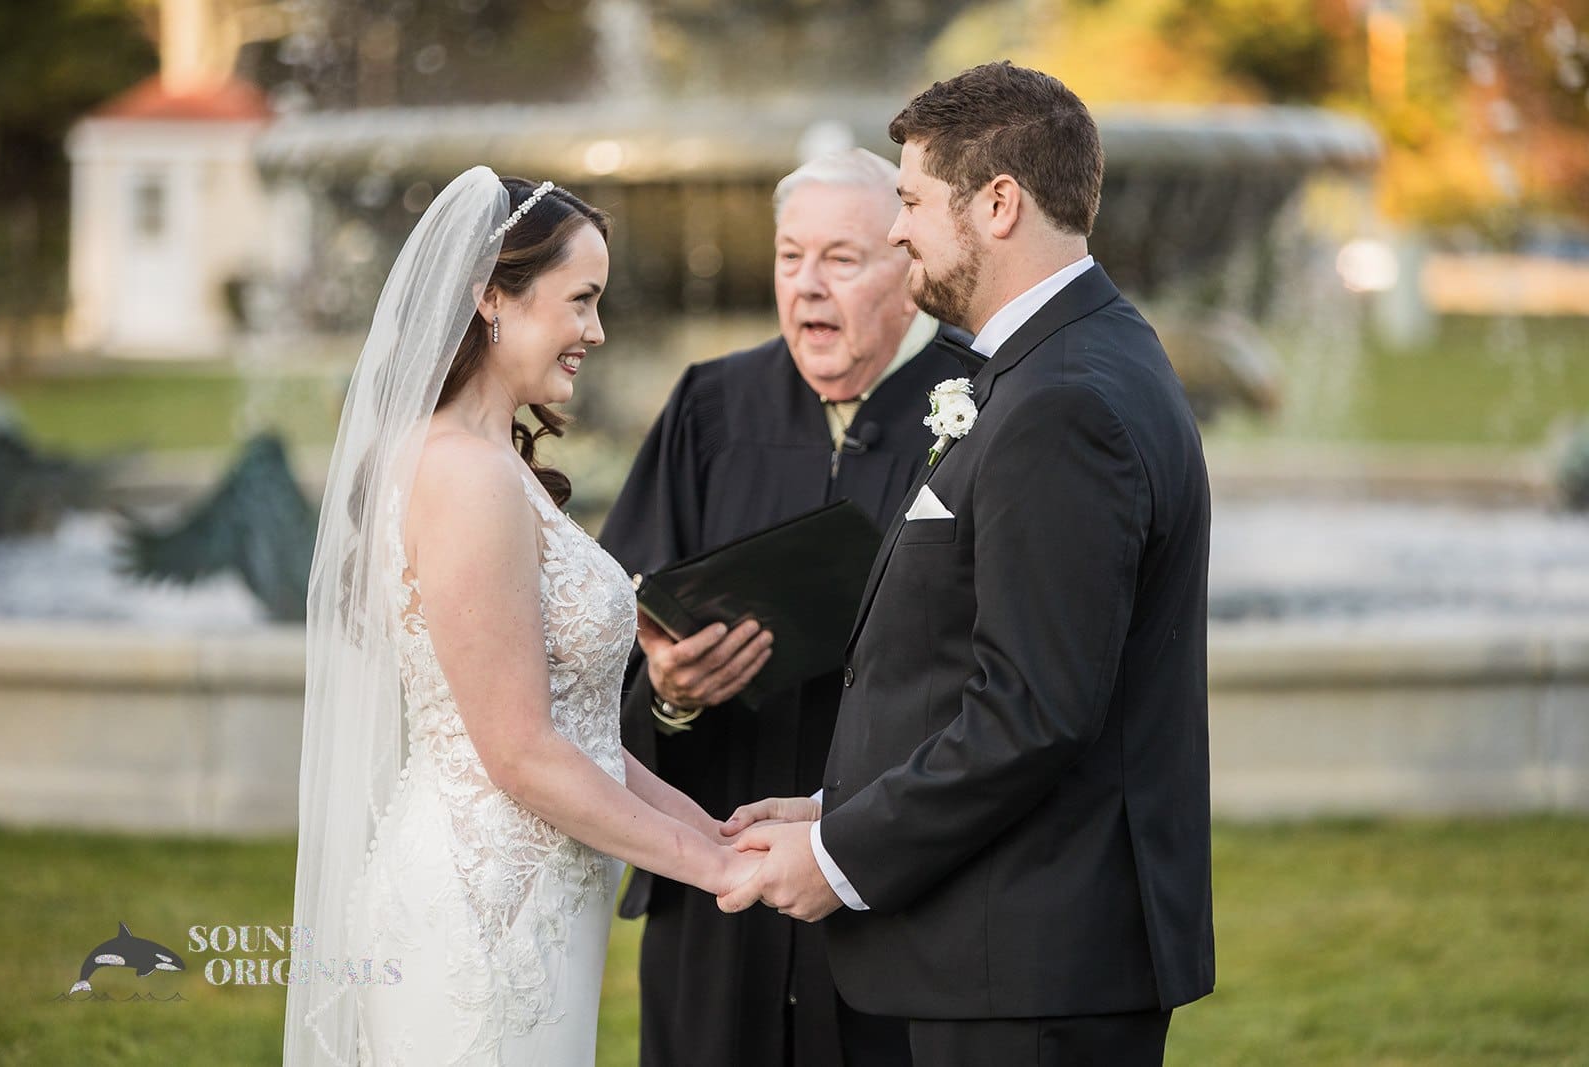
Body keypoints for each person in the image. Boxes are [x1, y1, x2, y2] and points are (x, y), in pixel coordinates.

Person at [720, 62, 1216, 1067]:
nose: (897, 229)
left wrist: (839, 855)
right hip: (1011, 954)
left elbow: (1031, 710)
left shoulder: (1063, 403)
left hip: (1030, 967)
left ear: (997, 203)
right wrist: (836, 804)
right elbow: (974, 663)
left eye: (910, 201)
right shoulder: (1066, 359)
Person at [283, 167, 758, 1067]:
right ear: (491, 297)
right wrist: (714, 869)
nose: (596, 331)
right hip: (482, 916)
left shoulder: (491, 460)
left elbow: (578, 733)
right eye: (581, 300)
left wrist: (716, 830)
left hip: (528, 902)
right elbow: (522, 750)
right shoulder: (465, 476)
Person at [597, 148, 974, 1067]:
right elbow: (605, 638)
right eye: (790, 257)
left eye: (840, 259)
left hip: (895, 892)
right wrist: (670, 691)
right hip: (721, 882)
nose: (807, 285)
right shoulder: (711, 408)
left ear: (908, 264)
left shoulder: (978, 403)